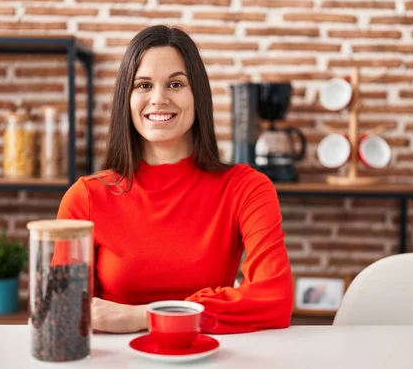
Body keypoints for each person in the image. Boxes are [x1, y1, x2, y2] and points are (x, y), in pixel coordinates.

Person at [57, 25, 293, 335]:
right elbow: (65, 310)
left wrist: (146, 316)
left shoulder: (246, 188)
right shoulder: (86, 197)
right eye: (143, 85)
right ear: (125, 99)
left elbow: (274, 300)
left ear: (198, 95)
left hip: (209, 362)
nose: (158, 99)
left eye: (175, 84)